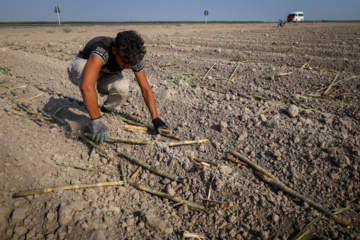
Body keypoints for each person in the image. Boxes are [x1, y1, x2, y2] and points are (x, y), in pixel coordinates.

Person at [67, 30, 169, 143]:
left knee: (122, 87)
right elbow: (87, 86)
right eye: (125, 63)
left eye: (131, 64)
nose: (128, 66)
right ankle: (96, 115)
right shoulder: (102, 49)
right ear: (114, 51)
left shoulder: (133, 56)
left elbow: (145, 88)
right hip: (83, 67)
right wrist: (96, 121)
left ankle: (105, 111)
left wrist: (156, 118)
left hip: (105, 73)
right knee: (82, 71)